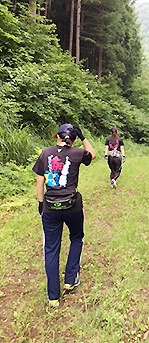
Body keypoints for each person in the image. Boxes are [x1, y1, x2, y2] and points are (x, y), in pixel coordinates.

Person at [32, 123, 96, 308]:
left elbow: (39, 180)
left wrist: (41, 202)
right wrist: (84, 138)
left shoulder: (45, 153)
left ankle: (53, 297)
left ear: (56, 136)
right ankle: (70, 280)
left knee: (51, 249)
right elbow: (92, 154)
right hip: (73, 207)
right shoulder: (77, 153)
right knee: (76, 238)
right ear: (74, 140)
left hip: (50, 208)